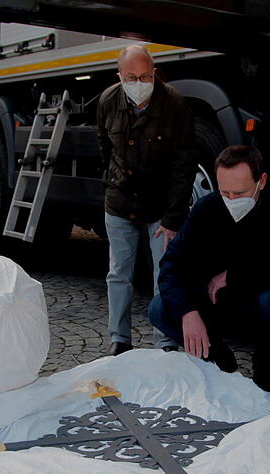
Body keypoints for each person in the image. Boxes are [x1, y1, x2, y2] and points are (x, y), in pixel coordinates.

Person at [148, 145, 270, 391]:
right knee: (159, 309)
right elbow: (172, 265)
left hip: (257, 300)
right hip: (214, 303)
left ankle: (263, 372)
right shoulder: (207, 209)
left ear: (261, 181)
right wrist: (188, 312)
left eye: (240, 192)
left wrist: (235, 276)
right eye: (225, 193)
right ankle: (219, 359)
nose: (232, 200)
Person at [96, 44, 197, 356]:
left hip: (160, 206)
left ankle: (165, 340)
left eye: (144, 76)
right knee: (118, 274)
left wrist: (173, 217)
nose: (138, 84)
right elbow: (104, 148)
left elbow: (185, 163)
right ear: (120, 76)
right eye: (131, 77)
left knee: (162, 274)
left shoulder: (174, 104)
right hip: (120, 202)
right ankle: (119, 339)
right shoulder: (108, 101)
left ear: (155, 74)